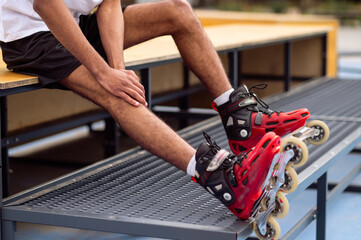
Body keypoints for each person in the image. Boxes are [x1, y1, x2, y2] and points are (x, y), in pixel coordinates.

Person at [0, 0, 309, 219]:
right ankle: (223, 181)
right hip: (31, 36)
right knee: (120, 97)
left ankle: (239, 121)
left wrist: (118, 71)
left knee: (178, 11)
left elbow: (109, 5)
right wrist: (104, 74)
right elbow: (45, 4)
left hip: (76, 24)